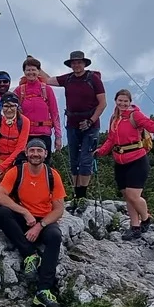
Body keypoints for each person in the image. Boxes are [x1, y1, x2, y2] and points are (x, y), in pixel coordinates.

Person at [0, 138, 65, 307]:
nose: (36, 154)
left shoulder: (52, 175)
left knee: (55, 236)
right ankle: (30, 254)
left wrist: (40, 225)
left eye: (40, 151)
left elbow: (59, 209)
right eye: (32, 150)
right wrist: (25, 212)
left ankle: (43, 290)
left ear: (46, 154)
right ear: (26, 152)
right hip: (24, 218)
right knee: (1, 212)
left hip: (43, 221)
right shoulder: (17, 171)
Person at [95, 89, 154, 240]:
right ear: (115, 101)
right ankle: (135, 226)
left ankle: (146, 218)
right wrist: (101, 151)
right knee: (127, 196)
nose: (122, 103)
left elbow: (153, 128)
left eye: (125, 101)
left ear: (130, 102)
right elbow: (111, 139)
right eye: (120, 100)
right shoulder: (114, 118)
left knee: (133, 196)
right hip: (120, 161)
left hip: (137, 160)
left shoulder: (135, 115)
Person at [37, 50, 107, 206]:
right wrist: (36, 66)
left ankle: (82, 195)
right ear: (71, 65)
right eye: (74, 63)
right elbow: (48, 80)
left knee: (86, 160)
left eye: (79, 62)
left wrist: (90, 120)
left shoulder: (94, 79)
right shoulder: (68, 79)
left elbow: (103, 103)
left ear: (84, 63)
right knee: (74, 159)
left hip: (91, 125)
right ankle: (77, 193)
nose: (76, 65)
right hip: (72, 124)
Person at [0, 92, 30, 203]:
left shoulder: (24, 121)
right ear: (2, 106)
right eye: (6, 106)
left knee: (14, 184)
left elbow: (20, 147)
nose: (9, 109)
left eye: (12, 106)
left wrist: (3, 167)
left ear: (17, 107)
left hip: (14, 159)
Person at [15, 56, 62, 156]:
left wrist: (58, 137)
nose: (31, 72)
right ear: (24, 72)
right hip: (24, 135)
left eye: (33, 69)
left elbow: (55, 113)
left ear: (39, 71)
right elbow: (7, 106)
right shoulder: (19, 90)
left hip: (44, 134)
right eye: (28, 70)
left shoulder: (47, 89)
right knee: (24, 164)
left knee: (44, 164)